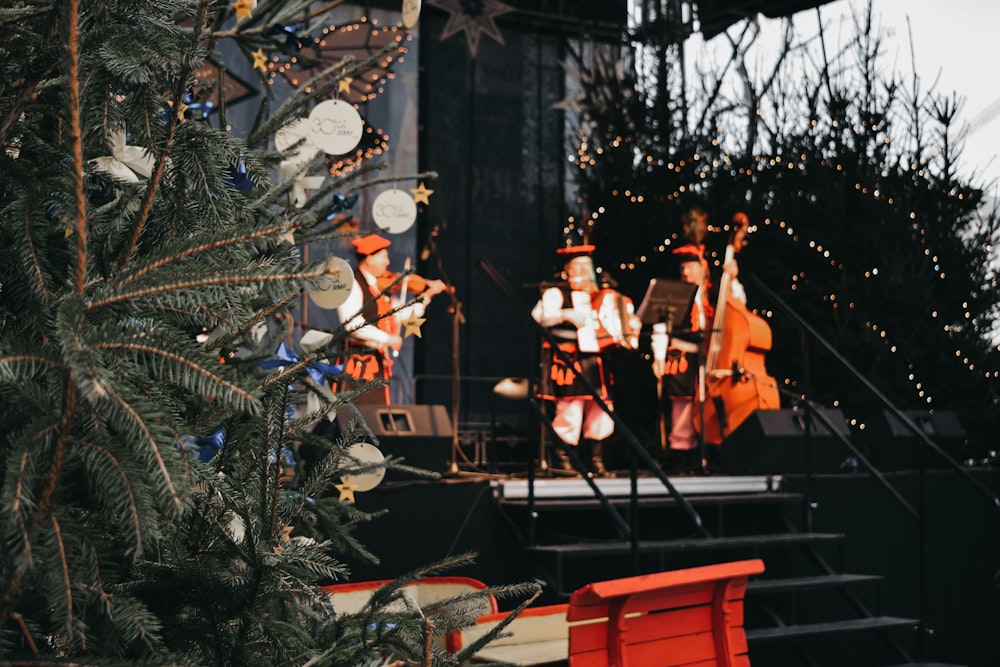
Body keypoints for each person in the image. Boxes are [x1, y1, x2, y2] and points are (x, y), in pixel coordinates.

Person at [532, 244, 639, 477]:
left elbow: (618, 319)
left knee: (600, 410)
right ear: (568, 269)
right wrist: (564, 314)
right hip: (569, 356)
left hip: (595, 359)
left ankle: (595, 460)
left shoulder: (603, 295)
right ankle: (563, 461)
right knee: (571, 409)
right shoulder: (557, 292)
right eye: (577, 265)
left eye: (586, 266)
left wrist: (630, 327)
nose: (583, 270)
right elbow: (538, 316)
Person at [655, 242, 745, 472]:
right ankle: (680, 455)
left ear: (702, 269)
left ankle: (709, 452)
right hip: (683, 355)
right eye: (683, 268)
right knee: (683, 406)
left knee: (710, 404)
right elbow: (661, 328)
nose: (685, 272)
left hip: (711, 356)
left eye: (690, 267)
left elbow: (739, 306)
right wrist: (658, 356)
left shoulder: (715, 292)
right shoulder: (675, 294)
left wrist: (732, 280)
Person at [335, 233, 446, 404]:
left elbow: (402, 314)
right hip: (356, 365)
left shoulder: (379, 289)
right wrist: (388, 338)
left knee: (375, 417)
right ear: (369, 258)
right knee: (350, 417)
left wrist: (427, 295)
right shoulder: (352, 284)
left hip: (376, 364)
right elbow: (353, 324)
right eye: (383, 257)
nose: (387, 262)